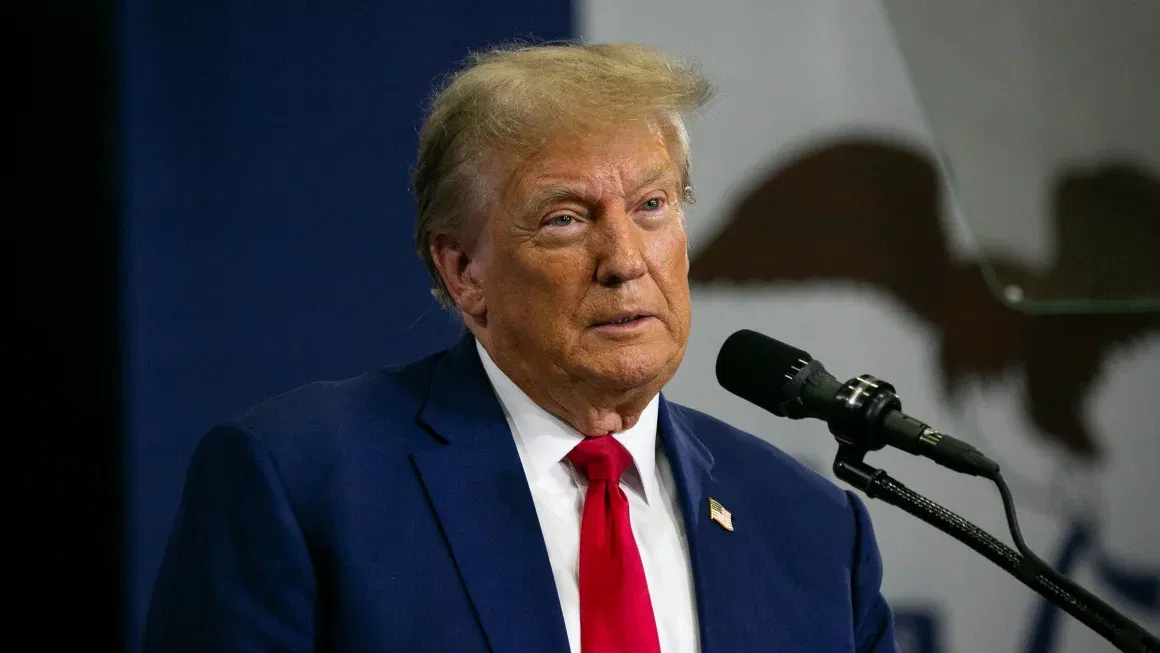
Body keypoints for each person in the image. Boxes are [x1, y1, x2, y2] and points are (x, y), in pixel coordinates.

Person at [142, 42, 899, 653]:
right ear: (463, 269)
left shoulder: (812, 527)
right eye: (566, 218)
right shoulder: (301, 482)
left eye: (651, 206)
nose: (625, 259)